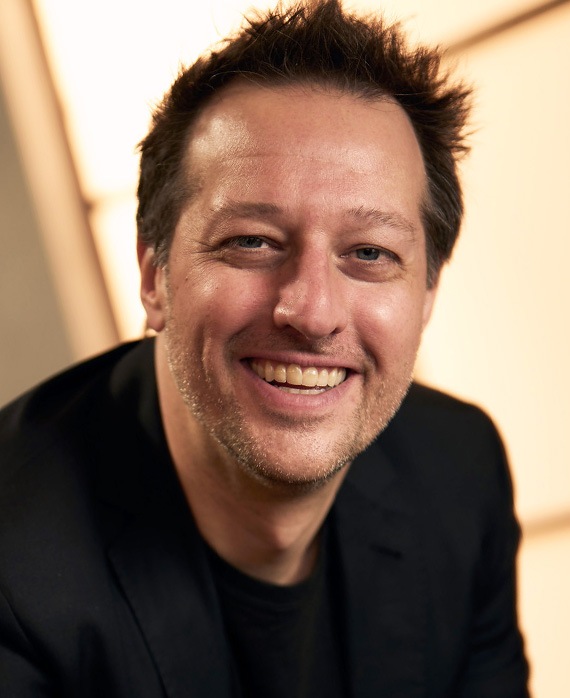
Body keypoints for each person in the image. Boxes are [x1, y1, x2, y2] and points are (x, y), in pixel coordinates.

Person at [0, 1, 530, 696]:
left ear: (427, 295)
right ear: (155, 276)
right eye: (251, 241)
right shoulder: (15, 571)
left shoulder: (457, 471)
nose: (311, 312)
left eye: (370, 253)